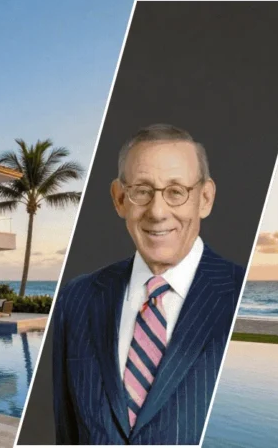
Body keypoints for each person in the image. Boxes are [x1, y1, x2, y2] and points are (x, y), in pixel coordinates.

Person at [51, 124, 245, 445]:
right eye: (141, 190)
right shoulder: (76, 299)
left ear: (205, 198)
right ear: (119, 199)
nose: (157, 212)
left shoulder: (239, 295)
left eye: (176, 191)